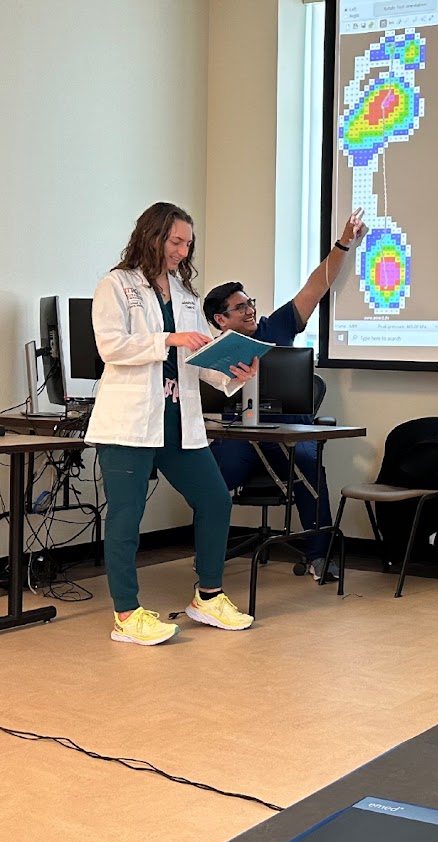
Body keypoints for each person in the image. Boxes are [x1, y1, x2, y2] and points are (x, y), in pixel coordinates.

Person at [87, 202, 258, 646]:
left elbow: (197, 359)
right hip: (129, 423)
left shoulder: (184, 294)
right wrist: (168, 338)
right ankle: (126, 614)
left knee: (215, 500)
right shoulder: (116, 285)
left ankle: (208, 596)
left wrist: (230, 373)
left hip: (178, 422)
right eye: (176, 241)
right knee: (127, 517)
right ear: (153, 236)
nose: (183, 251)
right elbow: (111, 347)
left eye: (188, 243)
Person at [203, 209, 366, 581]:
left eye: (250, 303)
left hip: (287, 433)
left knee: (310, 467)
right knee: (207, 479)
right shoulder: (211, 355)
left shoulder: (275, 326)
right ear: (220, 320)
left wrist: (344, 243)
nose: (250, 310)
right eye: (239, 307)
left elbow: (317, 285)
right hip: (240, 437)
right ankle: (208, 558)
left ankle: (318, 555)